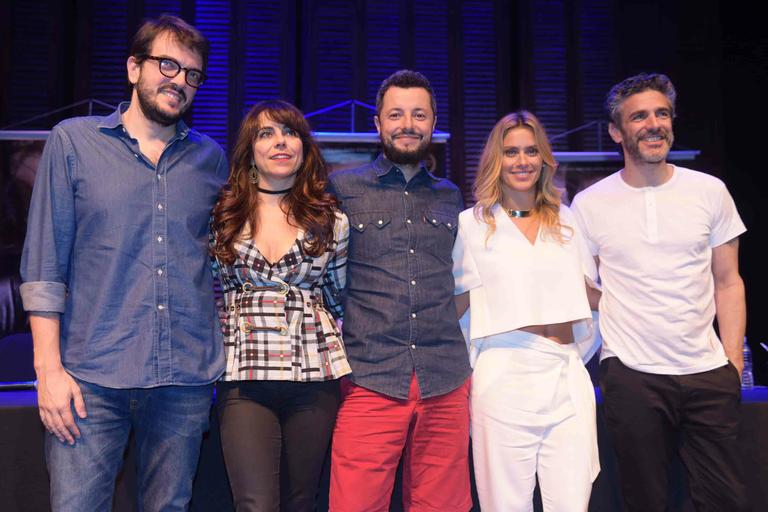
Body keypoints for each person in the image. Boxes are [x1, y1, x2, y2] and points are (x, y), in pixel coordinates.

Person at [20, 15, 226, 510]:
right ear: (134, 68)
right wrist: (48, 370)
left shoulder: (211, 161)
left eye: (192, 74)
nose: (179, 81)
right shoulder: (73, 142)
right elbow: (45, 265)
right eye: (167, 65)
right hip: (90, 379)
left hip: (184, 380)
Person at [571, 73, 749, 511]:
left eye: (662, 113)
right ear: (617, 132)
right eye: (639, 116)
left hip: (707, 371)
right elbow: (581, 286)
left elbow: (729, 281)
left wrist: (731, 362)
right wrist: (619, 304)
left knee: (726, 500)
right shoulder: (590, 204)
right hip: (632, 374)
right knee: (644, 501)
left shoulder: (710, 192)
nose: (654, 124)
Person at [328, 70, 472, 511]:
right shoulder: (342, 188)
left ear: (432, 124)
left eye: (418, 115)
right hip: (370, 379)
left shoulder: (451, 196)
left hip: (445, 380)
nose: (407, 124)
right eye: (396, 114)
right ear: (377, 123)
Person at [453, 111, 600, 511]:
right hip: (503, 376)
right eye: (511, 151)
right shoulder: (471, 225)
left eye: (531, 151)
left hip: (566, 376)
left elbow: (592, 298)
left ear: (544, 159)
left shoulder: (568, 221)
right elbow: (453, 305)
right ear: (495, 160)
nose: (522, 161)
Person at [210, 100, 350, 511]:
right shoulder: (222, 214)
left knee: (302, 500)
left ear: (304, 148)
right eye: (265, 134)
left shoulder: (331, 219)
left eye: (289, 133)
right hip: (243, 375)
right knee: (254, 503)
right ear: (249, 150)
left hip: (314, 376)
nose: (279, 142)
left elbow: (339, 298)